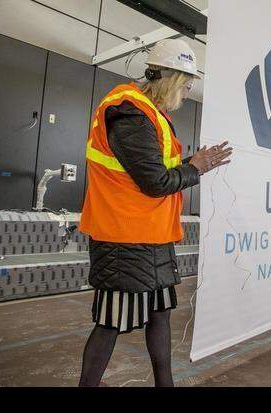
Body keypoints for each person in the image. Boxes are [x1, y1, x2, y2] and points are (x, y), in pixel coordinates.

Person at [77, 39, 232, 387]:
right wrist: (196, 167)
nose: (187, 92)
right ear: (172, 79)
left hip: (152, 235)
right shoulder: (129, 113)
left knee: (160, 314)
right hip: (123, 238)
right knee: (110, 322)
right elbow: (154, 182)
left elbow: (151, 169)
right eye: (187, 85)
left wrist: (188, 163)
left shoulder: (150, 114)